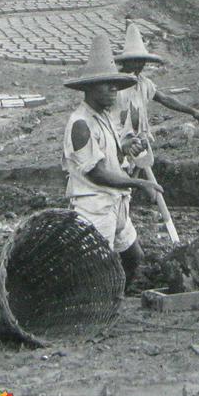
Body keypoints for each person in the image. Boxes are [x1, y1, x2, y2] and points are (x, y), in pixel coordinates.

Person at [62, 33, 163, 286]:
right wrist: (138, 184)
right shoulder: (80, 124)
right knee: (98, 269)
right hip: (94, 205)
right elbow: (96, 173)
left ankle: (120, 299)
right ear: (89, 88)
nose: (113, 91)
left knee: (134, 257)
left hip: (116, 203)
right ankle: (98, 310)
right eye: (107, 86)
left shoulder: (104, 117)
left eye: (115, 85)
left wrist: (126, 147)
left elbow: (111, 157)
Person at [112, 23, 199, 168]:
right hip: (115, 141)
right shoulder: (114, 84)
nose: (139, 65)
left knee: (138, 173)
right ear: (126, 61)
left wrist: (193, 111)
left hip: (137, 140)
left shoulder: (144, 83)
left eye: (142, 61)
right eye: (135, 61)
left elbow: (164, 98)